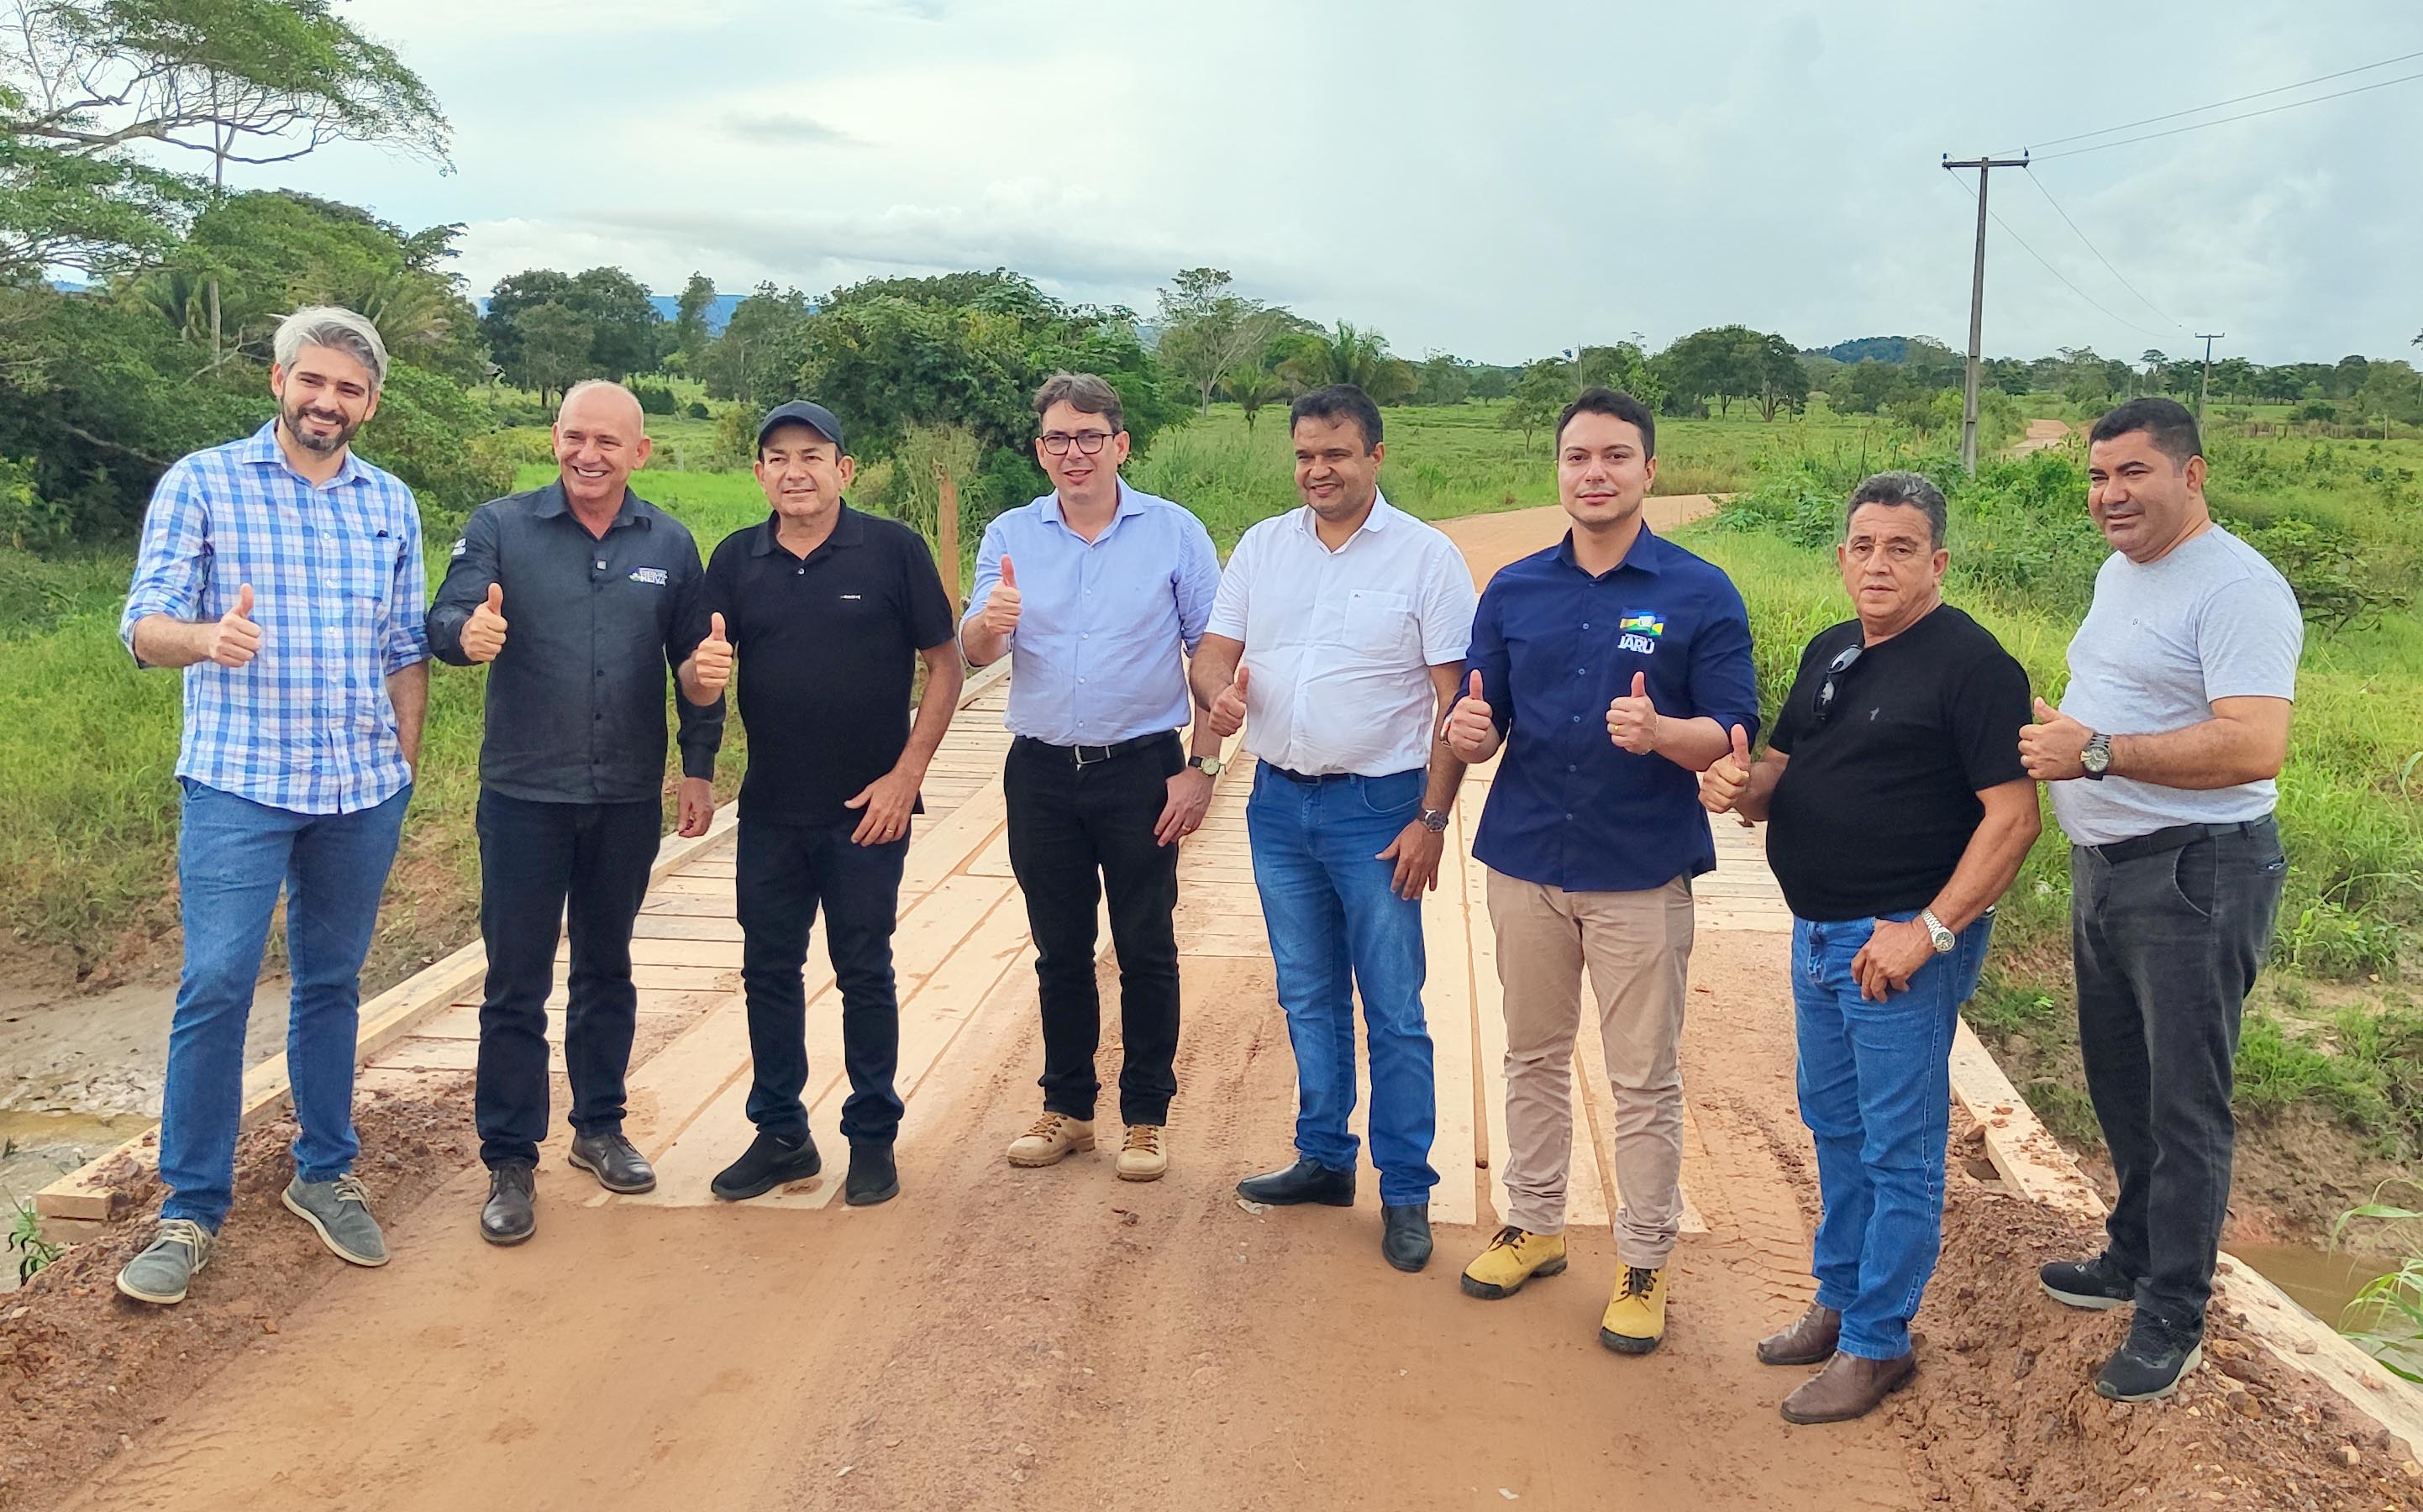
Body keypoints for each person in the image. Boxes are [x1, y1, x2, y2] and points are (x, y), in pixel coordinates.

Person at [1700, 470, 2039, 1421]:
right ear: (1841, 556)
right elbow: (1781, 766)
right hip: (1818, 935)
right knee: (1835, 1129)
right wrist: (1738, 789)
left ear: (1937, 561)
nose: (1877, 563)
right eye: (1862, 545)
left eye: (1899, 548)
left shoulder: (1973, 666)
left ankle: (1879, 1343)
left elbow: (2013, 821)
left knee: (1899, 1149)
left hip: (1895, 947)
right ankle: (1839, 1301)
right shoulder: (1832, 648)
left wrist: (1926, 933)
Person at [113, 307, 429, 1305]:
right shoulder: (203, 482)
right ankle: (190, 1207)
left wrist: (403, 766)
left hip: (358, 789)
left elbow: (404, 650)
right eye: (313, 381)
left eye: (348, 389)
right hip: (240, 783)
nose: (327, 401)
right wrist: (204, 639)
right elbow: (141, 625)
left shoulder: (389, 502)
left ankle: (324, 1173)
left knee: (332, 982)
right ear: (279, 382)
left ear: (369, 404)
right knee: (215, 982)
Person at [1443, 387, 1759, 1352]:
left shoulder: (1700, 593)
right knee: (1532, 1054)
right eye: (1578, 456)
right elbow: (1479, 716)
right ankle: (1535, 1225)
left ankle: (1642, 1258)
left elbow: (1734, 733)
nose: (1595, 473)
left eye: (1616, 457)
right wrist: (1468, 731)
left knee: (1642, 1078)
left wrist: (1665, 733)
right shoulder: (1513, 589)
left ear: (1648, 471)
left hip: (1639, 868)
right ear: (1560, 470)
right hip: (1526, 855)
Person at [2020, 398, 2299, 1402]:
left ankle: (2172, 1314)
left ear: (2192, 475)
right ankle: (2130, 1256)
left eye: (2131, 474)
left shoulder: (2236, 591)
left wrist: (2094, 750)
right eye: (2097, 478)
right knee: (2121, 1083)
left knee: (2185, 1103)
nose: (2109, 496)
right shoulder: (2121, 570)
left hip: (2195, 872)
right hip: (2109, 866)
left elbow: (2253, 742)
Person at [427, 381, 723, 1246]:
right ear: (553, 439)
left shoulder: (669, 542)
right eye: (572, 437)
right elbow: (451, 611)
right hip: (523, 795)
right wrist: (460, 637)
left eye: (606, 441)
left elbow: (696, 661)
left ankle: (598, 1129)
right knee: (515, 983)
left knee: (606, 968)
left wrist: (698, 765)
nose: (587, 455)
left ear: (641, 452)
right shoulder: (501, 527)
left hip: (627, 796)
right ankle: (510, 1162)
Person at [1192, 383, 1476, 1273]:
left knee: (1392, 1006)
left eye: (1336, 455)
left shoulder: (1427, 559)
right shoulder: (1264, 550)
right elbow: (1212, 654)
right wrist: (1218, 696)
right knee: (1306, 993)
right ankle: (1322, 1158)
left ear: (1375, 457)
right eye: (1305, 455)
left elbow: (1451, 700)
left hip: (1379, 811)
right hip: (1276, 803)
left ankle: (1405, 1191)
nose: (1318, 470)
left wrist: (1433, 817)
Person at [691, 401, 962, 1206]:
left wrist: (907, 775)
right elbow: (702, 673)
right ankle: (780, 1135)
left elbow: (945, 668)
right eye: (778, 458)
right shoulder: (736, 559)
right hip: (770, 807)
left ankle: (872, 1136)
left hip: (866, 808)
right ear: (759, 474)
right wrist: (698, 709)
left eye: (812, 456)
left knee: (863, 970)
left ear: (844, 469)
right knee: (768, 971)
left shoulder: (891, 551)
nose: (795, 471)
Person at [962, 372, 1223, 1183]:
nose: (1073, 453)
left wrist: (1202, 768)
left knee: (1147, 945)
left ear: (1121, 444)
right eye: (1057, 440)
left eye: (1088, 436)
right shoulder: (1011, 534)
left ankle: (1145, 1115)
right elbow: (973, 649)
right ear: (1039, 452)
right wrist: (987, 625)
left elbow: (1213, 656)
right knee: (1059, 948)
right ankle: (1069, 1109)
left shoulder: (1173, 533)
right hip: (1040, 772)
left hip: (1141, 768)